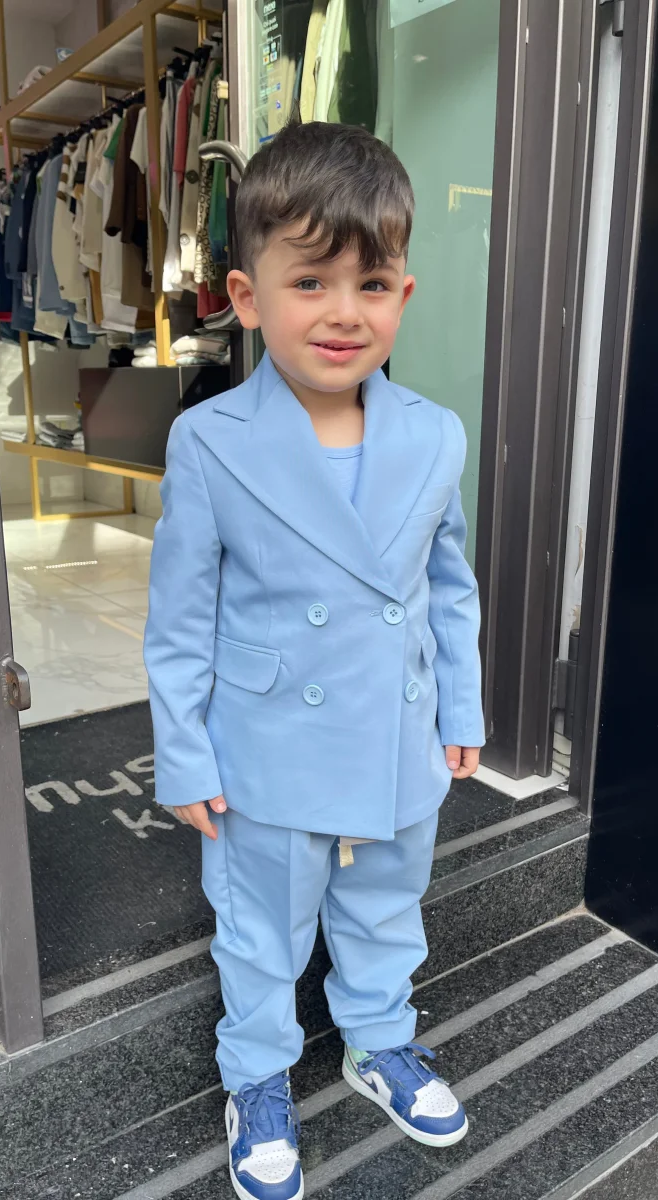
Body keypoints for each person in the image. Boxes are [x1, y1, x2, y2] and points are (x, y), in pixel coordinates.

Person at [144, 119, 485, 1200]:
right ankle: (256, 1075)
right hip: (268, 747)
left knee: (387, 905)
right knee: (260, 930)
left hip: (394, 734)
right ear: (247, 297)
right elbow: (180, 619)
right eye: (311, 282)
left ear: (404, 295)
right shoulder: (211, 442)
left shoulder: (435, 436)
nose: (345, 312)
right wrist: (184, 754)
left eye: (371, 284)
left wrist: (461, 708)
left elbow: (448, 587)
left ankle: (379, 1040)